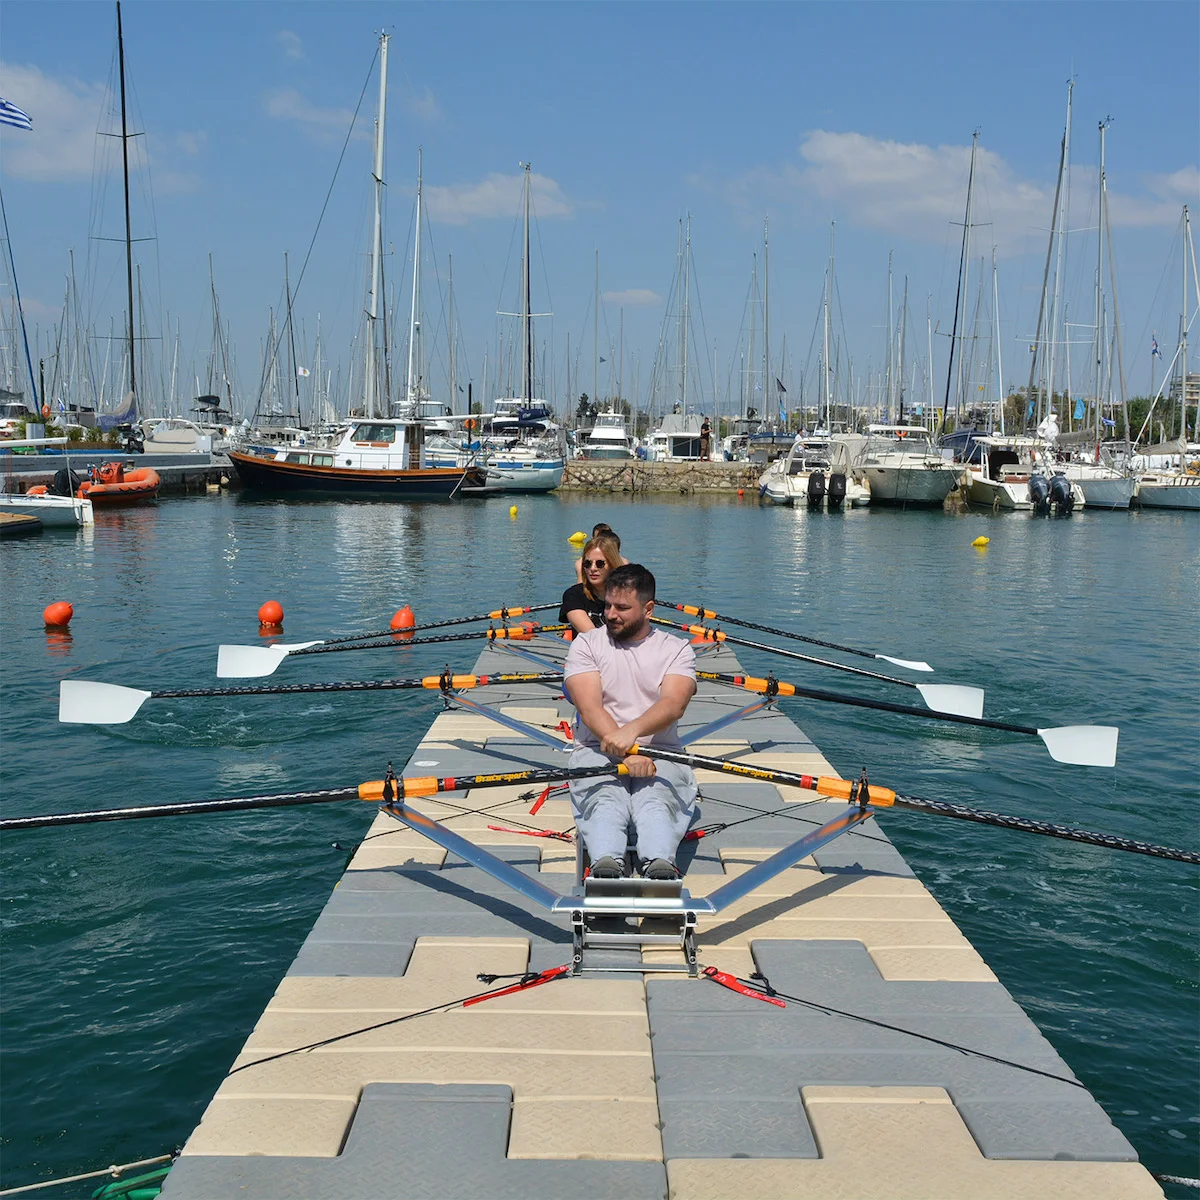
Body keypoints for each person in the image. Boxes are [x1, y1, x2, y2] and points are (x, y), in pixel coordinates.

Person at [563, 563, 698, 880]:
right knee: (607, 798)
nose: (610, 614)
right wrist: (630, 753)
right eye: (608, 605)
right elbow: (590, 708)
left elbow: (673, 704)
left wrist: (633, 737)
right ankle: (607, 864)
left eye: (622, 608)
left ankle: (660, 866)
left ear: (648, 609)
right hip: (596, 746)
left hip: (661, 750)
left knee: (654, 801)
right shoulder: (587, 644)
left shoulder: (676, 650)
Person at [560, 535, 621, 634]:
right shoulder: (573, 595)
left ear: (612, 564)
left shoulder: (627, 595)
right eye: (587, 563)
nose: (592, 569)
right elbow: (592, 637)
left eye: (600, 563)